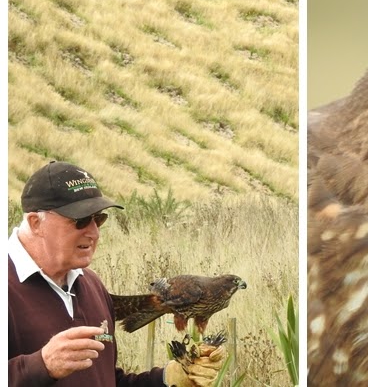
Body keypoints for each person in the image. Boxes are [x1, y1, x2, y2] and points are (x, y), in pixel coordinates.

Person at [8, 160, 221, 386]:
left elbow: (108, 380)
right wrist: (42, 366)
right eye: (80, 221)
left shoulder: (91, 285)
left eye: (98, 219)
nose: (94, 233)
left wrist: (168, 380)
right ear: (35, 223)